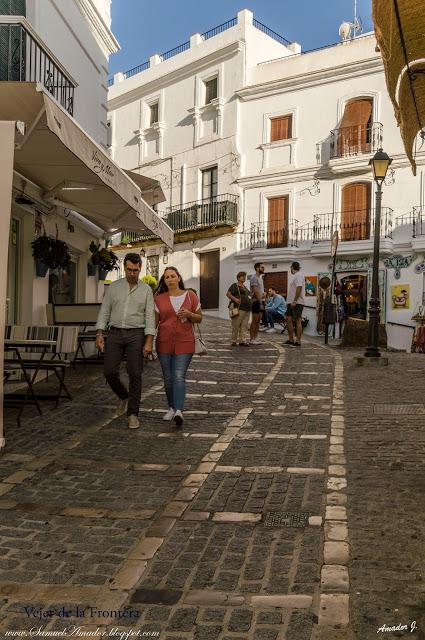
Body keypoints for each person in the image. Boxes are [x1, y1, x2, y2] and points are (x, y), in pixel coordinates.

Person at [95, 253, 155, 429]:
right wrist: (99, 333)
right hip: (114, 334)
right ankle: (123, 395)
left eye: (135, 270)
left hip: (136, 334)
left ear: (140, 269)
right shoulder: (114, 288)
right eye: (129, 270)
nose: (132, 274)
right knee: (109, 371)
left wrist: (149, 341)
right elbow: (104, 311)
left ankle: (133, 414)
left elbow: (150, 317)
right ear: (124, 268)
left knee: (135, 373)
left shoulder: (146, 290)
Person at [154, 267, 202, 427]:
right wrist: (147, 342)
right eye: (167, 277)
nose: (170, 279)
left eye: (173, 276)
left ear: (179, 278)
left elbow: (199, 318)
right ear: (164, 280)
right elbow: (154, 323)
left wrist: (189, 314)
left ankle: (179, 411)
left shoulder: (191, 295)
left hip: (185, 342)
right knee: (167, 377)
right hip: (163, 342)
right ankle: (171, 408)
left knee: (178, 376)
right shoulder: (159, 299)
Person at [226, 271, 252, 346]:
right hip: (239, 308)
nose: (244, 277)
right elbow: (228, 294)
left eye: (244, 276)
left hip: (247, 308)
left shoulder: (245, 287)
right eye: (242, 276)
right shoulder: (235, 285)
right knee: (236, 324)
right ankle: (233, 340)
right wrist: (235, 299)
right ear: (238, 278)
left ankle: (242, 341)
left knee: (244, 325)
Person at [284, 261, 305, 347]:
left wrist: (295, 300)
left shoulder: (299, 275)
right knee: (288, 319)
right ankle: (291, 339)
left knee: (297, 320)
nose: (290, 269)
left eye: (290, 268)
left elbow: (299, 287)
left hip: (297, 302)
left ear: (292, 267)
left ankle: (298, 341)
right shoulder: (295, 276)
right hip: (290, 302)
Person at [249, 263, 265, 344]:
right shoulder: (254, 277)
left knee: (259, 320)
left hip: (261, 301)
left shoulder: (260, 278)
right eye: (262, 267)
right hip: (256, 302)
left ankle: (256, 337)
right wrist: (260, 302)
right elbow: (255, 291)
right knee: (254, 321)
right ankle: (252, 339)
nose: (263, 268)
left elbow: (260, 290)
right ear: (257, 268)